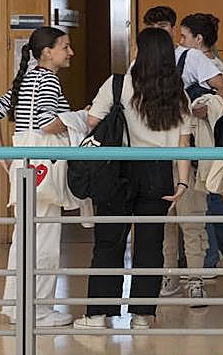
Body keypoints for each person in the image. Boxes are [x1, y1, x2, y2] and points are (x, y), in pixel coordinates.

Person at [73, 27, 192, 330]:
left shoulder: (117, 85)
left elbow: (92, 122)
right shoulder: (179, 95)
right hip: (158, 171)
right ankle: (143, 315)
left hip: (118, 170)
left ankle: (99, 315)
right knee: (150, 246)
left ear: (139, 51)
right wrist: (181, 182)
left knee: (109, 242)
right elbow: (182, 145)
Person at [0, 26, 75, 328]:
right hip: (44, 165)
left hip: (23, 164)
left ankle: (15, 306)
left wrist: (3, 157)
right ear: (48, 52)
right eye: (65, 46)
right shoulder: (48, 79)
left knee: (23, 238)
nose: (70, 52)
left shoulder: (25, 79)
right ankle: (37, 310)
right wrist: (77, 119)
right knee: (45, 239)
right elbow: (48, 123)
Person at [141, 6, 223, 299]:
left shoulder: (189, 57)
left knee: (192, 219)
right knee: (165, 222)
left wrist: (207, 108)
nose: (161, 32)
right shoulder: (140, 64)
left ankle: (196, 280)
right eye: (153, 26)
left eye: (165, 26)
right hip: (155, 151)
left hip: (187, 149)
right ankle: (170, 277)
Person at [180, 12, 223, 285]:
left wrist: (209, 108)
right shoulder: (206, 61)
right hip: (203, 140)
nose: (180, 42)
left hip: (202, 140)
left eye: (184, 37)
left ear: (198, 39)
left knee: (206, 198)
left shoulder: (202, 62)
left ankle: (210, 259)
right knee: (210, 197)